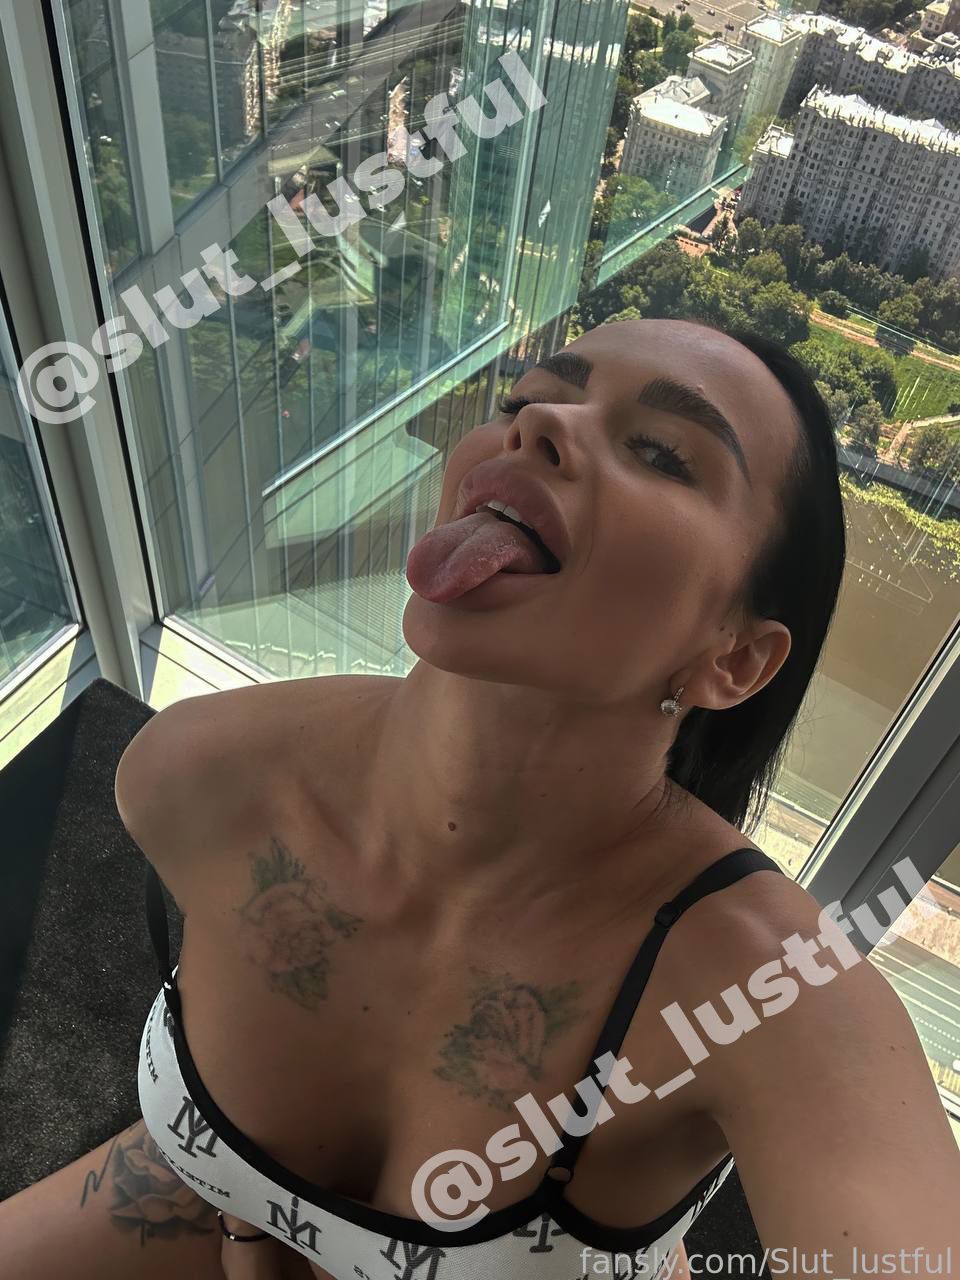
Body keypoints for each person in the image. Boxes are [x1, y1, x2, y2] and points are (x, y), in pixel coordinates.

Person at [1, 317, 957, 1280]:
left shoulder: (773, 995)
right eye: (527, 399)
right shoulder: (198, 775)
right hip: (191, 1202)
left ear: (736, 659)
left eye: (662, 453)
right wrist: (249, 1231)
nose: (540, 425)